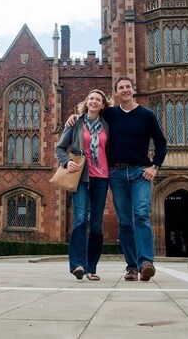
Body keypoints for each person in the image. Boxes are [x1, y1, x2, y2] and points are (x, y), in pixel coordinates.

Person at [66, 76, 167, 281]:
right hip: (116, 173)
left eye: (128, 87)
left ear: (133, 89)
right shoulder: (110, 114)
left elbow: (161, 142)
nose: (125, 90)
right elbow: (90, 115)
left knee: (141, 215)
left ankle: (146, 262)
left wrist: (155, 166)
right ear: (116, 93)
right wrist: (74, 118)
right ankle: (131, 266)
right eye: (120, 87)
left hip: (140, 172)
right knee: (125, 222)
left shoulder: (146, 115)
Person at [54, 89, 110, 281]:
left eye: (98, 99)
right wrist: (65, 161)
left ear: (103, 105)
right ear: (86, 102)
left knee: (96, 225)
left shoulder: (107, 126)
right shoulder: (75, 123)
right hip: (81, 177)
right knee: (79, 220)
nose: (94, 102)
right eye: (91, 98)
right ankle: (78, 264)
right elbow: (60, 147)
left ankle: (92, 267)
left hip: (102, 178)